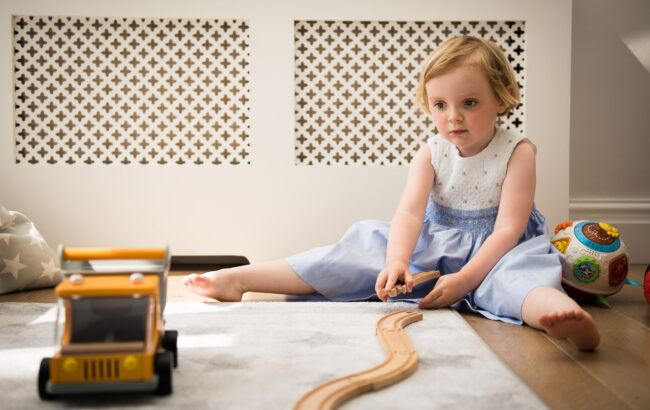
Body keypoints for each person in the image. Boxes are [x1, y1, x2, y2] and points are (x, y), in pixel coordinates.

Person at [184, 36, 600, 351]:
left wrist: (467, 280)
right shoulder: (431, 152)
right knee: (359, 248)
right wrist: (397, 261)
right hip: (436, 244)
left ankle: (559, 316)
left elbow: (509, 231)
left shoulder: (518, 151)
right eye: (440, 104)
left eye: (469, 102)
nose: (452, 116)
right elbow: (408, 215)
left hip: (500, 250)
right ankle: (240, 278)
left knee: (520, 279)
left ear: (501, 99)